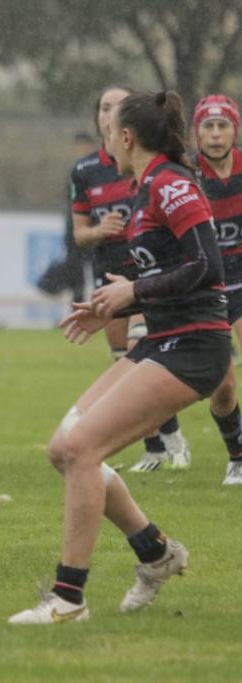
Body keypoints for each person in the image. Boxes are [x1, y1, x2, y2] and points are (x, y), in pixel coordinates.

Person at [9, 91, 229, 625]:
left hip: (195, 345)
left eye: (110, 123)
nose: (104, 130)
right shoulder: (146, 184)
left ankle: (68, 599)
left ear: (126, 138)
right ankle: (155, 553)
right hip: (163, 337)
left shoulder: (172, 185)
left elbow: (208, 263)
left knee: (83, 448)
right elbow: (160, 277)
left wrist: (134, 292)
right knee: (64, 448)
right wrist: (110, 302)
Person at [70, 85, 190, 473]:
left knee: (145, 358)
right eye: (104, 107)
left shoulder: (159, 174)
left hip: (146, 278)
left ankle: (177, 440)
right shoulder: (86, 171)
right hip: (112, 277)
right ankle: (154, 448)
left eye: (117, 108)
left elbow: (200, 257)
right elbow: (79, 233)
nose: (109, 114)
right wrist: (99, 229)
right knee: (127, 363)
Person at [192, 94, 242, 485]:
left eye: (222, 125)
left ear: (234, 130)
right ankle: (237, 456)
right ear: (196, 134)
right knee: (223, 385)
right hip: (208, 289)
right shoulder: (186, 178)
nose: (215, 134)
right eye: (207, 127)